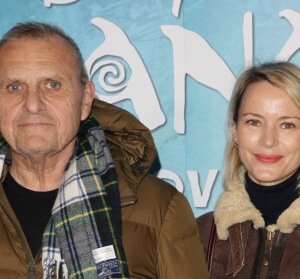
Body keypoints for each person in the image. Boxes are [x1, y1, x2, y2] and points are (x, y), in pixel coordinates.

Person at [0, 21, 209, 279]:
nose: (32, 104)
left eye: (52, 85)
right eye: (14, 87)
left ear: (86, 100)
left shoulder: (161, 209)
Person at [197, 61, 300, 278]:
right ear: (235, 130)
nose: (268, 141)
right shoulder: (200, 236)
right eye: (254, 122)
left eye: (287, 125)